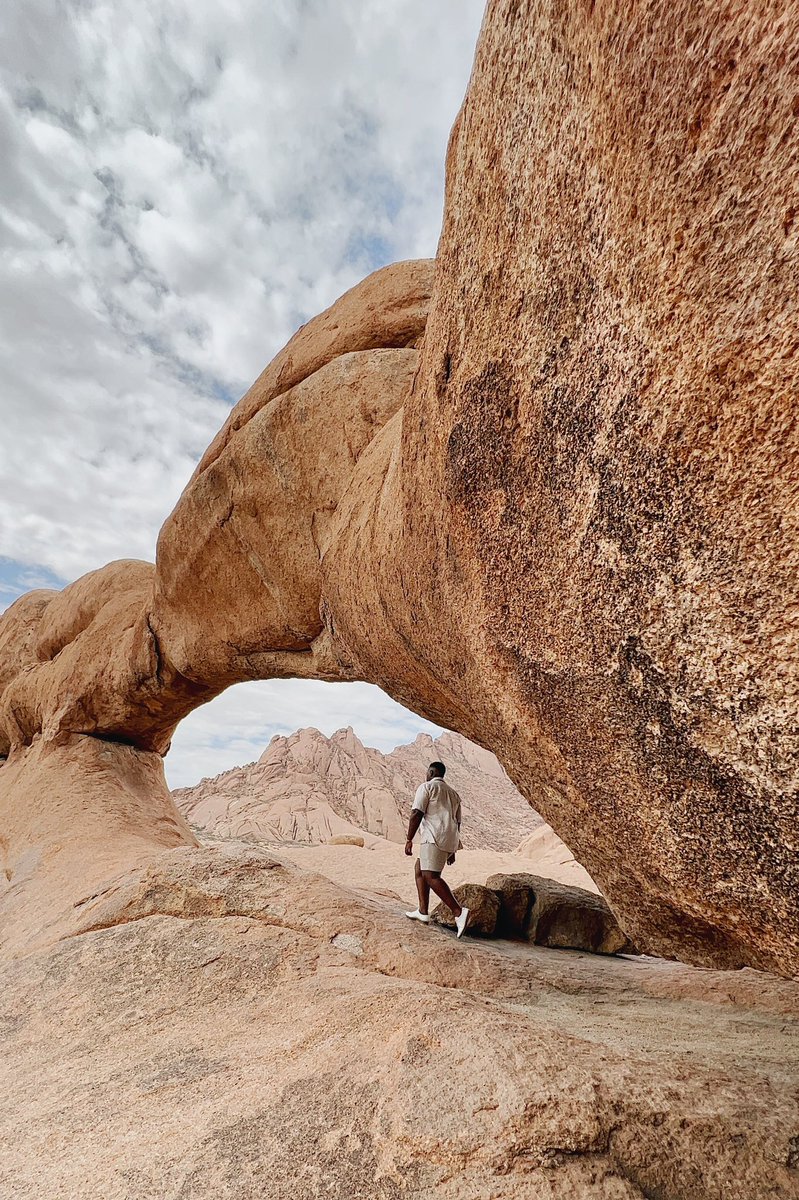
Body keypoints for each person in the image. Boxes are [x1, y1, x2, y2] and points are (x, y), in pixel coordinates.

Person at [404, 760, 470, 937]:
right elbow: (457, 822)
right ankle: (422, 911)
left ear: (431, 773)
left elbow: (416, 813)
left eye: (427, 772)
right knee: (420, 869)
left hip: (433, 837)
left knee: (430, 876)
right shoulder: (454, 794)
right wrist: (453, 849)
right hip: (448, 838)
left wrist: (409, 839)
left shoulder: (427, 787)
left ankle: (458, 912)